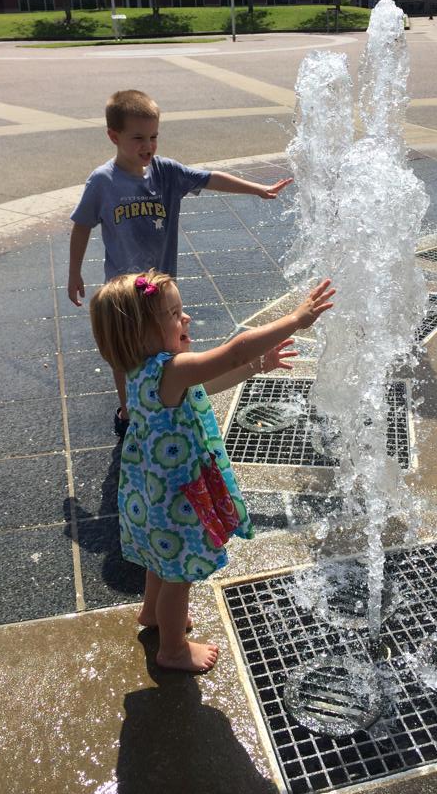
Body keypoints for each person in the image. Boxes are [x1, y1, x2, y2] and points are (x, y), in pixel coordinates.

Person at [90, 270, 334, 673]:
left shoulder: (139, 371)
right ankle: (172, 649)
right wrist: (296, 319)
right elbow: (233, 351)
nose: (186, 319)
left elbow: (210, 383)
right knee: (179, 576)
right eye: (173, 313)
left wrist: (258, 366)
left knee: (160, 562)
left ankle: (151, 614)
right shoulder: (170, 369)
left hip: (149, 492)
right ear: (142, 332)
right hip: (176, 498)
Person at [68, 89, 293, 437]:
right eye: (138, 138)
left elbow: (209, 177)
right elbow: (82, 224)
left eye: (154, 136)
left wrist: (257, 189)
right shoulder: (103, 182)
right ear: (114, 136)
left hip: (160, 290)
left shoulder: (166, 172)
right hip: (124, 294)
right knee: (124, 350)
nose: (148, 145)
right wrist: (73, 272)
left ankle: (172, 402)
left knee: (167, 346)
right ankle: (130, 411)